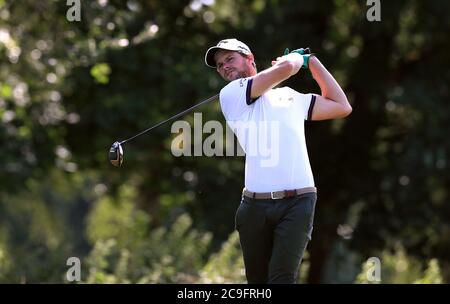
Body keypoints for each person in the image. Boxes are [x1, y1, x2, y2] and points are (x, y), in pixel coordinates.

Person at [204, 38, 352, 284]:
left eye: (229, 59)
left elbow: (341, 106)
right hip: (254, 208)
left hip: (298, 203)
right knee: (257, 283)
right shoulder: (231, 94)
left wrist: (311, 62)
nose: (224, 67)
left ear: (249, 58)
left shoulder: (289, 96)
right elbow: (285, 70)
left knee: (282, 279)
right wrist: (294, 60)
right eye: (220, 65)